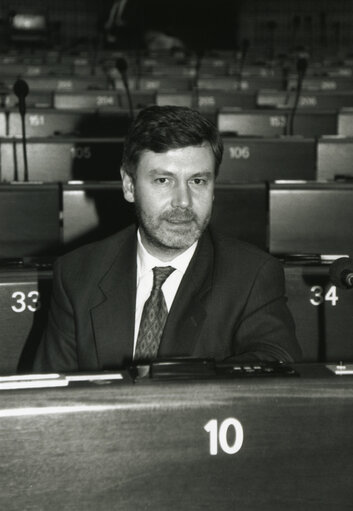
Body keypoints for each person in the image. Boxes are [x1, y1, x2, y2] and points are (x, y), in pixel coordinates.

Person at [33, 105, 302, 373]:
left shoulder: (252, 274)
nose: (183, 201)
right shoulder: (77, 274)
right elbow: (48, 394)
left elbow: (277, 360)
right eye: (163, 180)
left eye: (198, 181)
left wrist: (172, 384)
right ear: (129, 185)